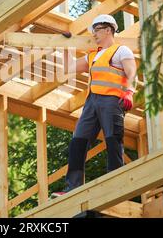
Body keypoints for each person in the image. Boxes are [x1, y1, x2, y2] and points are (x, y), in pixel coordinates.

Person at [51, 14, 137, 198]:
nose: (94, 34)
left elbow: (131, 71)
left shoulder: (121, 51)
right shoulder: (93, 56)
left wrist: (129, 91)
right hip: (92, 102)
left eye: (96, 30)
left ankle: (116, 185)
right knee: (78, 141)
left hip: (112, 101)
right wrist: (67, 46)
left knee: (113, 140)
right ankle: (72, 188)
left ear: (108, 29)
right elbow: (69, 67)